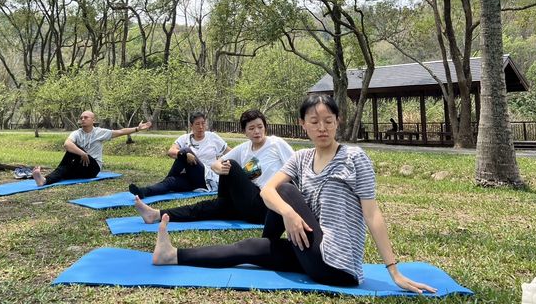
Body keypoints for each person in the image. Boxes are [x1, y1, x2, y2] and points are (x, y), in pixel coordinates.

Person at [151, 95, 437, 294]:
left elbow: (372, 214)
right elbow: (267, 194)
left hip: (337, 265)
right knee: (253, 246)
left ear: (338, 121)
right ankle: (172, 255)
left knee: (285, 189)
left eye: (328, 120)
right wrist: (288, 214)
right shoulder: (301, 158)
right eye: (314, 121)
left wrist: (394, 271)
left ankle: (270, 244)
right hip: (311, 251)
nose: (321, 127)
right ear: (303, 124)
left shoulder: (354, 157)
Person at [134, 109, 294, 225]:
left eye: (260, 126)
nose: (257, 131)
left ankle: (222, 202)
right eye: (251, 128)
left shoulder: (275, 143)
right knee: (204, 207)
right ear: (245, 132)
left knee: (232, 165)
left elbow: (297, 168)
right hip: (246, 202)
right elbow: (216, 164)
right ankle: (155, 215)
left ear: (265, 127)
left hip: (265, 207)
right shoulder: (244, 148)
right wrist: (219, 168)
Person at [32, 110, 151, 186]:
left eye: (86, 117)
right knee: (64, 168)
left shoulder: (100, 132)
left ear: (93, 120)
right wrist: (82, 154)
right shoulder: (77, 133)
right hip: (80, 166)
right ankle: (44, 180)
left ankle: (45, 179)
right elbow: (67, 144)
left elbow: (120, 131)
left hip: (93, 168)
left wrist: (137, 129)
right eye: (81, 117)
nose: (82, 119)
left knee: (71, 153)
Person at [128, 112, 231, 198]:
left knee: (185, 150)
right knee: (171, 181)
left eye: (203, 124)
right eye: (197, 124)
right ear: (191, 126)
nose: (201, 127)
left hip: (207, 178)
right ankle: (143, 192)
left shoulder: (212, 137)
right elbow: (170, 151)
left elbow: (230, 152)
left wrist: (244, 162)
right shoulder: (185, 138)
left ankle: (168, 176)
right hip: (191, 179)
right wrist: (183, 155)